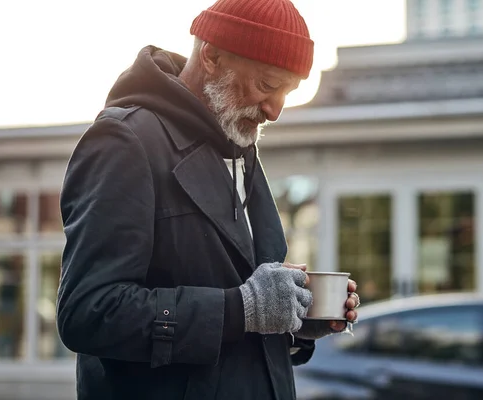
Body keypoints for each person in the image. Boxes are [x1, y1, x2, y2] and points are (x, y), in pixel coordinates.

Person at [55, 0, 361, 399]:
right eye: (268, 86)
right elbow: (88, 313)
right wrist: (242, 309)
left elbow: (239, 322)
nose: (275, 110)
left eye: (288, 92)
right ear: (212, 56)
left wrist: (294, 320)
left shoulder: (239, 149)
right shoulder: (125, 142)